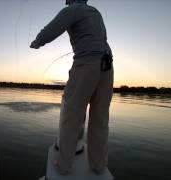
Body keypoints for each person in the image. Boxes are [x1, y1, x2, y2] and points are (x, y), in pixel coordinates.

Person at [30, 0, 114, 175]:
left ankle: (63, 166)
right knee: (100, 119)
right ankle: (98, 165)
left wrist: (37, 41)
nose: (65, 2)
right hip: (107, 68)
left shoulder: (73, 10)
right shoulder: (95, 11)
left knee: (71, 116)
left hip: (86, 65)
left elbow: (51, 30)